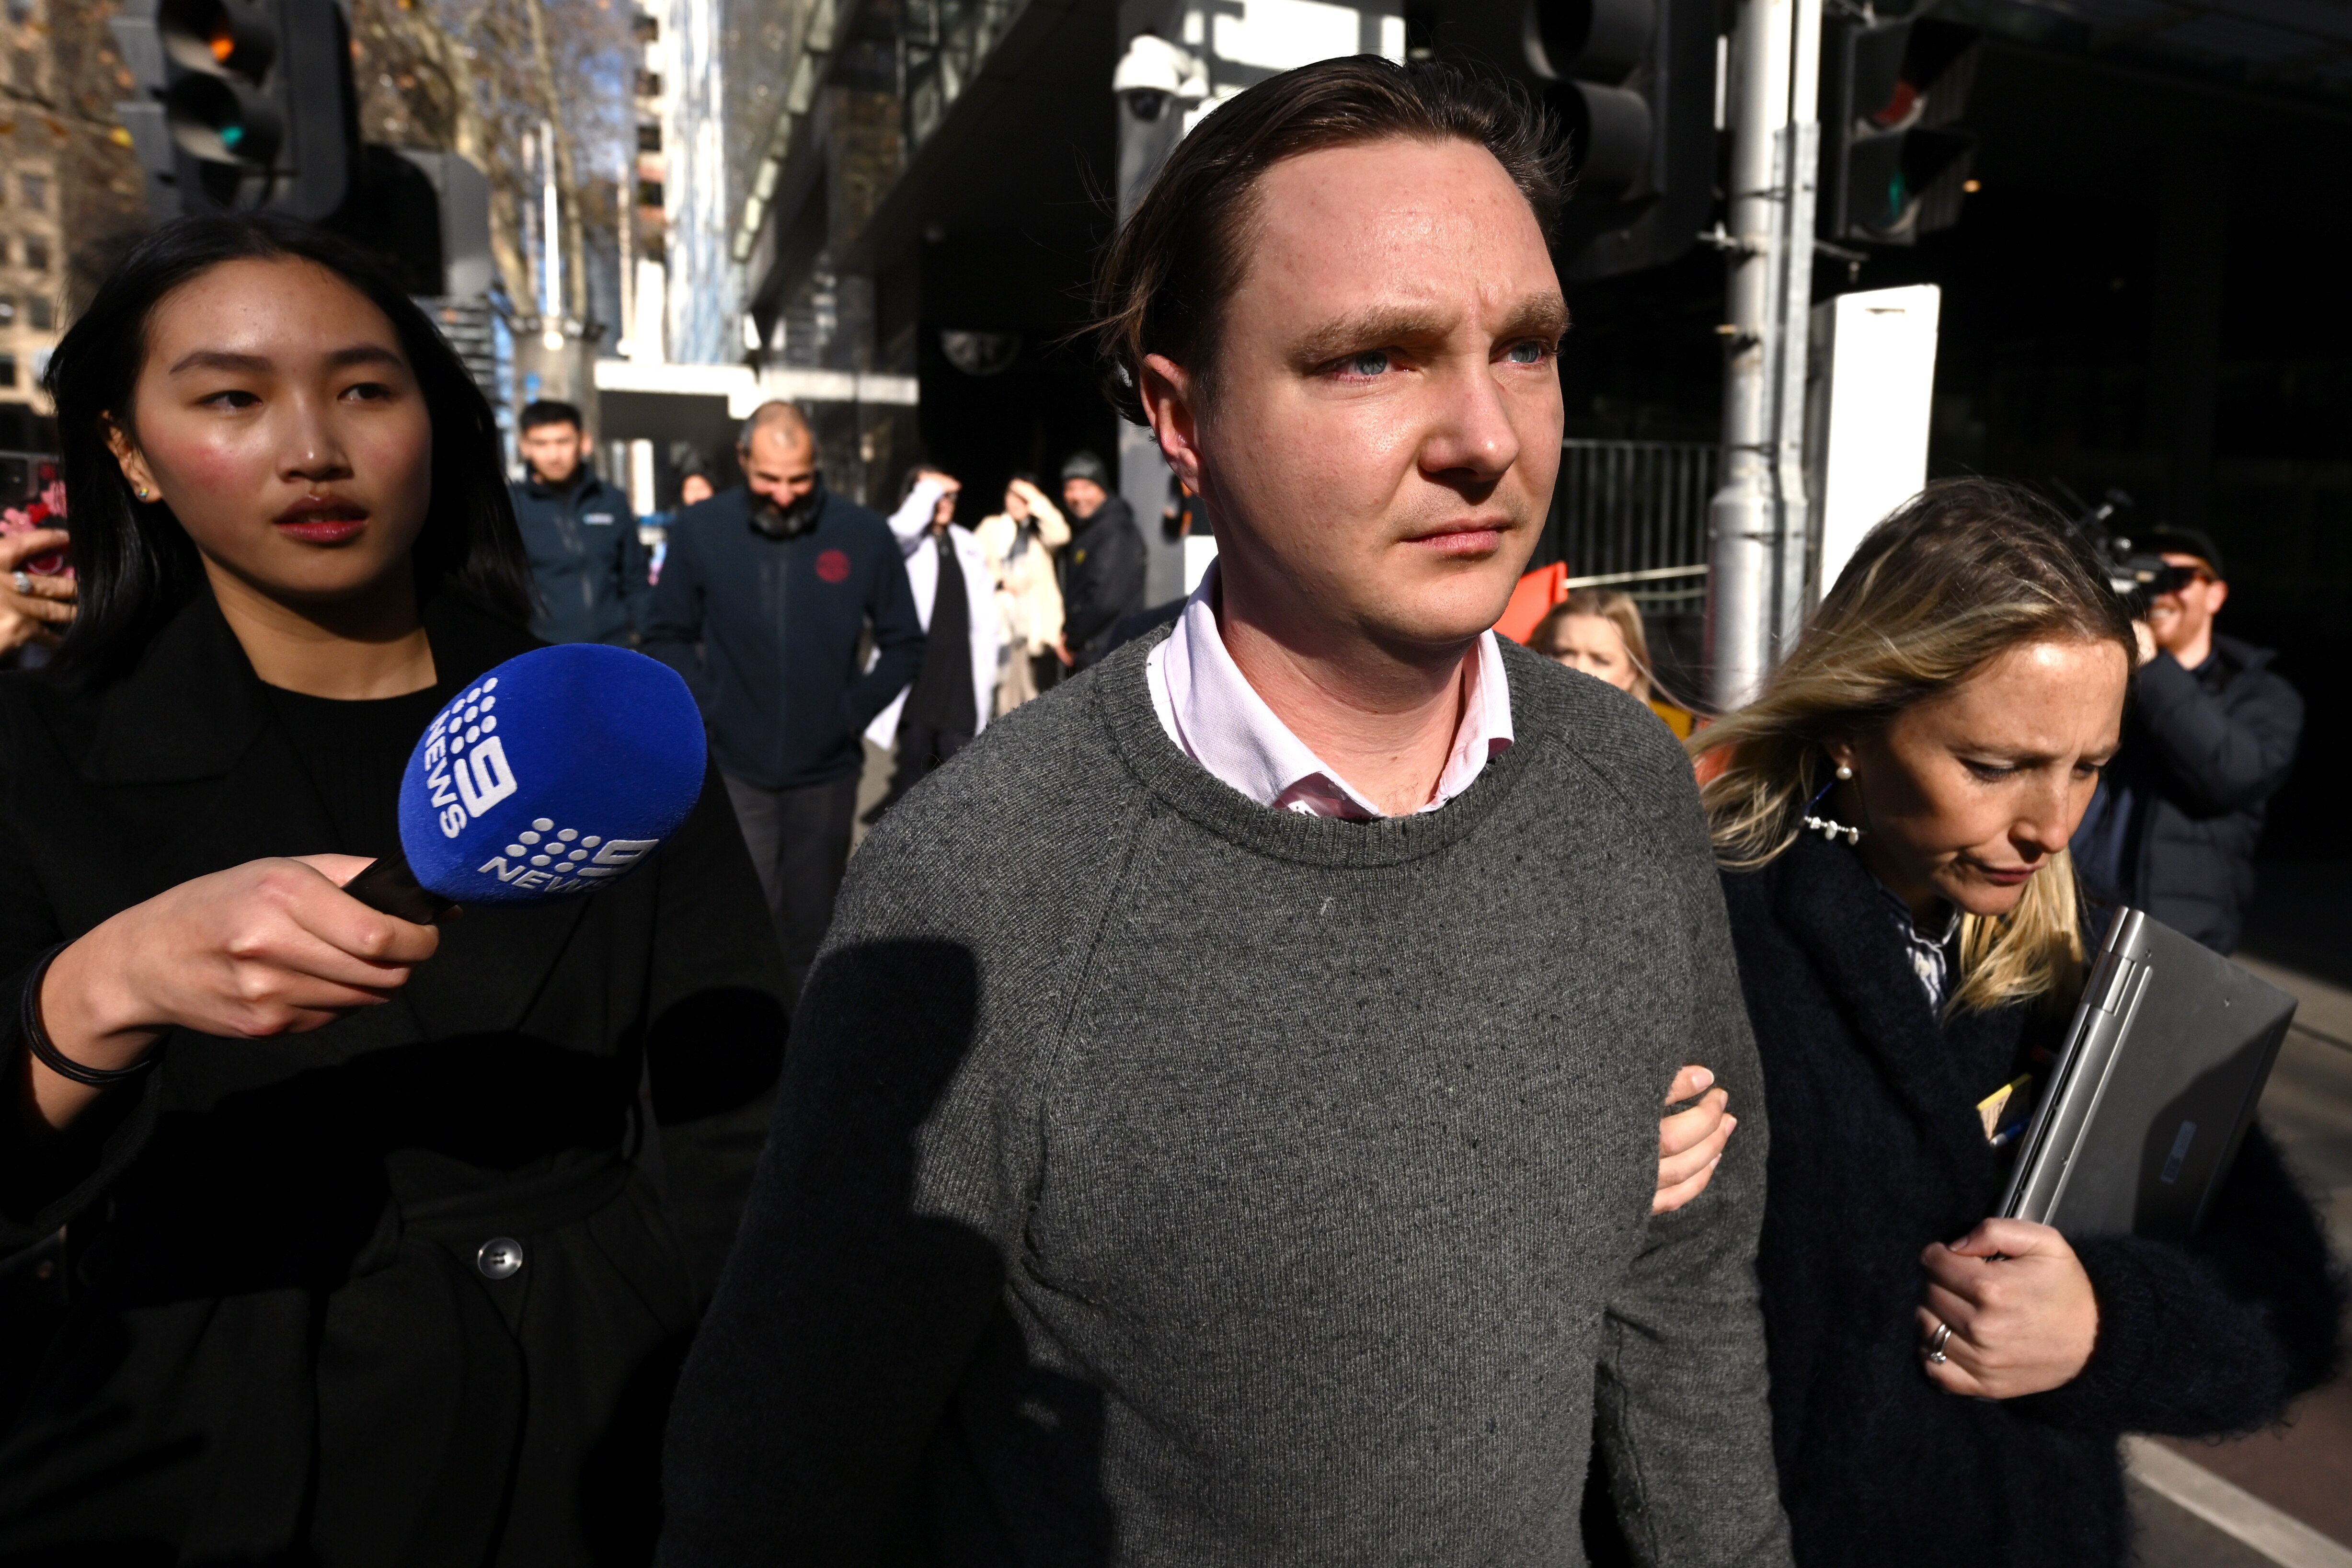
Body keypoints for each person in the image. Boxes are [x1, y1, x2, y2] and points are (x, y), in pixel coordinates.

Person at [659, 58, 1782, 1565]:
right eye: (1370, 359)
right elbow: (781, 1468)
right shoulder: (984, 881)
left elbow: (1685, 1287)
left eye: (1524, 346)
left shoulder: (1628, 784)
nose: (1484, 436)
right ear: (1180, 419)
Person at [0, 212, 789, 1563]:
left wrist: (718, 1385)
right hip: (208, 1423)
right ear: (126, 449)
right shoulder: (39, 751)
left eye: (365, 388)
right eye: (234, 399)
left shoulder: (593, 729)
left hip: (600, 1410)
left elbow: (740, 1112)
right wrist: (110, 985)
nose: (314, 446)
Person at [1690, 480, 2339, 1568]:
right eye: (1994, 767)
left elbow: (2287, 1310)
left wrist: (2104, 1327)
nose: (2050, 824)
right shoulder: (1702, 932)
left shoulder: (2098, 962)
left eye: (2089, 766)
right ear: (1854, 722)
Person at [642, 401, 924, 999]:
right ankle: (749, 1048)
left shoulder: (862, 533)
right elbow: (665, 631)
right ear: (742, 460)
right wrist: (708, 707)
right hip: (734, 765)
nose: (785, 493)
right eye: (768, 478)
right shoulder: (699, 530)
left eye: (798, 479)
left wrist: (852, 715)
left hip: (826, 771)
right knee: (743, 913)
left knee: (812, 926)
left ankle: (805, 1060)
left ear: (816, 465)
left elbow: (903, 642)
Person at [2068, 526, 2300, 954]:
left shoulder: (2262, 693)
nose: (2158, 591)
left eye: (2176, 578)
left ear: (2215, 595)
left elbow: (2232, 774)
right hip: (2063, 925)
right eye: (2145, 576)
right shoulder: (2108, 673)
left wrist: (2153, 667)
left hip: (2173, 943)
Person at [865, 466, 998, 814]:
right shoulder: (906, 544)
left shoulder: (967, 543)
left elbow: (985, 619)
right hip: (922, 679)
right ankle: (907, 847)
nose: (944, 503)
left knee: (960, 770)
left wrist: (991, 669)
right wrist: (928, 490)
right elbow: (896, 530)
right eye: (935, 497)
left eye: (949, 496)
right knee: (914, 769)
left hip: (961, 679)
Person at [511, 397, 651, 645]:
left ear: (583, 441)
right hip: (544, 653)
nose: (554, 455)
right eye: (541, 444)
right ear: (525, 447)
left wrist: (651, 640)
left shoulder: (611, 501)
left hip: (614, 650)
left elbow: (636, 583)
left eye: (563, 442)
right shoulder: (511, 507)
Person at [1530, 587, 1694, 736]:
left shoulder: (1655, 755)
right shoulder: (1513, 740)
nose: (1578, 669)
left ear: (1633, 673)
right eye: (1562, 653)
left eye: (1601, 660)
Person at [973, 473, 1068, 712]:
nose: (1016, 502)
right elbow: (973, 568)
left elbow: (1062, 533)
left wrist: (1034, 499)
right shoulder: (991, 527)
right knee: (1005, 701)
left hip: (1035, 633)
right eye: (1011, 495)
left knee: (1036, 700)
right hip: (1001, 629)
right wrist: (1000, 582)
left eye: (1023, 498)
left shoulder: (1040, 535)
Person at [1055, 447, 1146, 667]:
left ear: (1102, 489)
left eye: (1086, 487)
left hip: (1109, 656)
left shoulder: (1116, 531)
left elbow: (1105, 600)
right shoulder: (1087, 529)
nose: (1077, 497)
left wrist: (1072, 639)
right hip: (1093, 652)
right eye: (1070, 488)